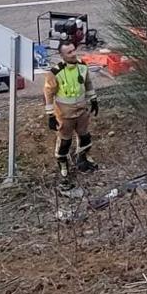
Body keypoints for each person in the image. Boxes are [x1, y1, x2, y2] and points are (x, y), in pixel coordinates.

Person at [42, 39, 99, 185]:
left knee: (85, 136)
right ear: (62, 56)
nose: (74, 54)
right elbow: (48, 94)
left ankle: (83, 158)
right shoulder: (56, 73)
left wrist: (93, 99)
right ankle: (63, 164)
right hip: (65, 115)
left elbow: (88, 83)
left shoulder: (82, 66)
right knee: (65, 141)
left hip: (81, 111)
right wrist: (50, 115)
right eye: (69, 52)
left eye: (74, 50)